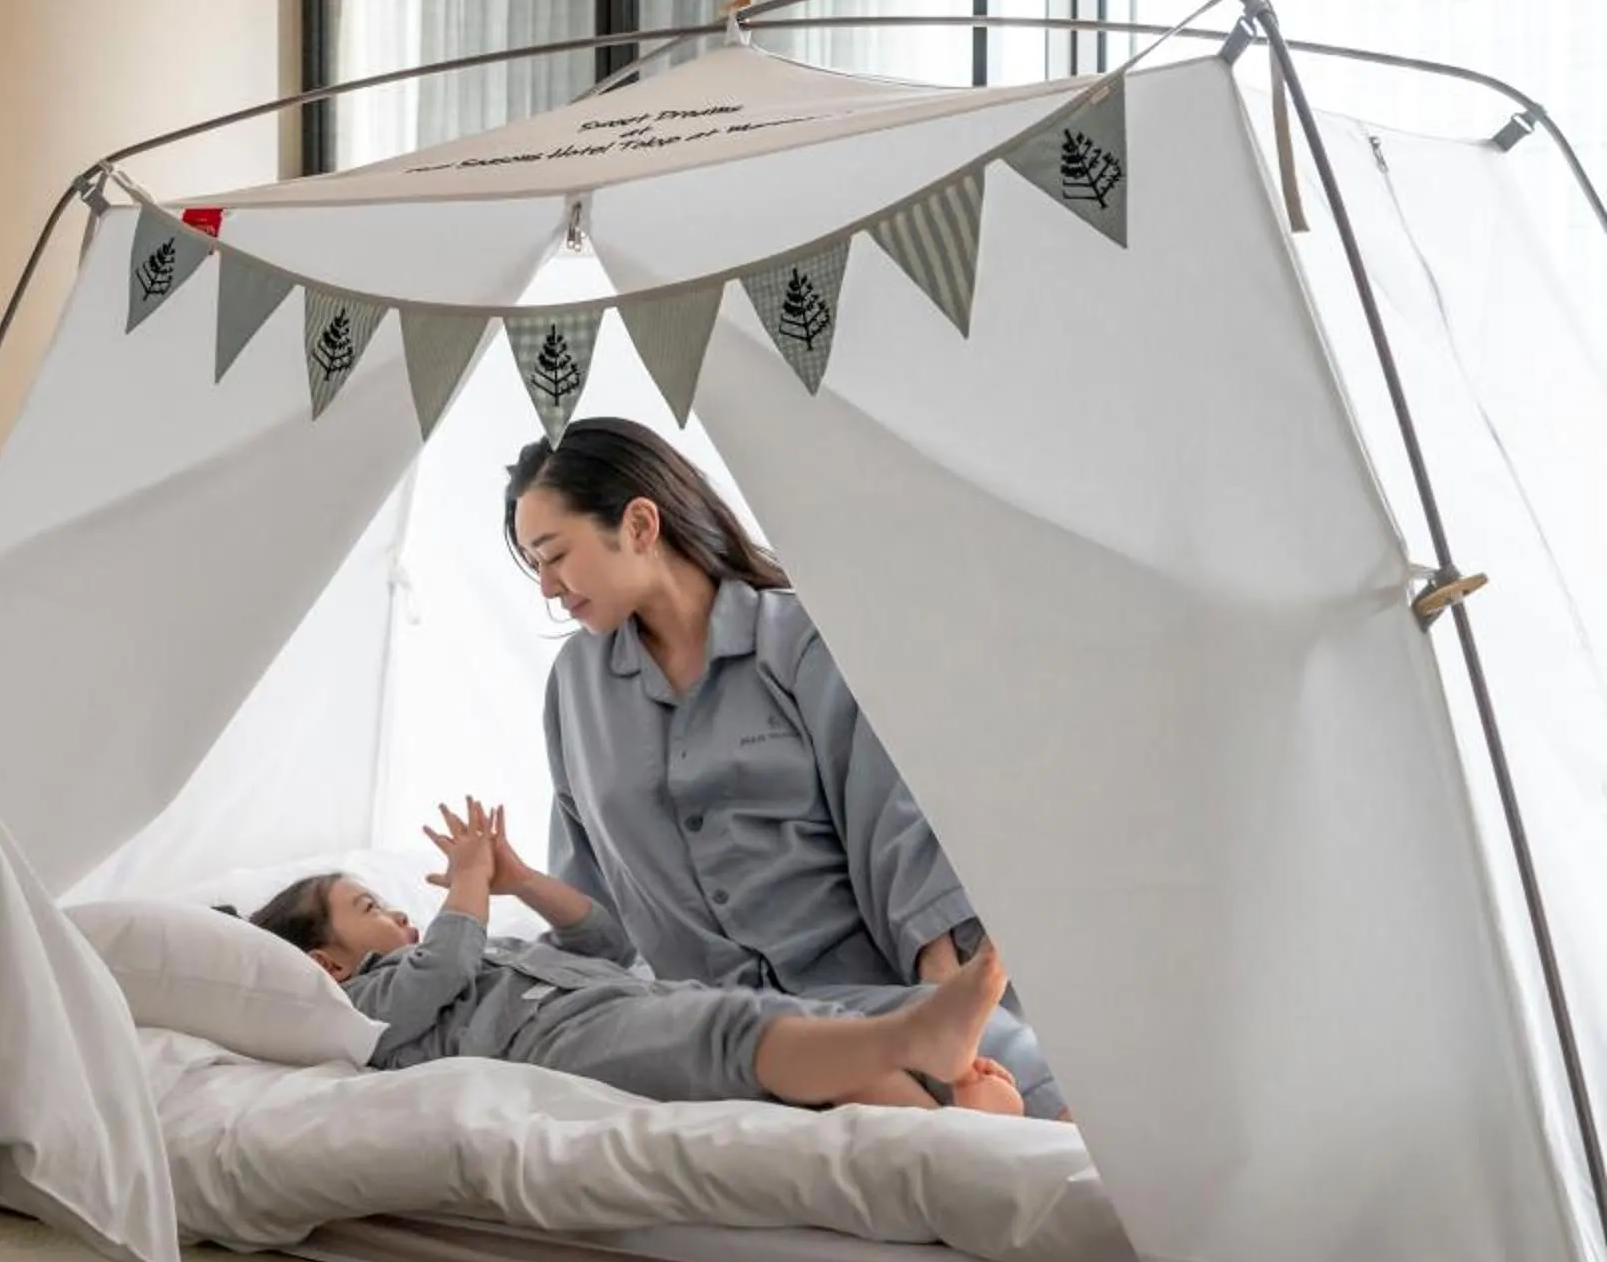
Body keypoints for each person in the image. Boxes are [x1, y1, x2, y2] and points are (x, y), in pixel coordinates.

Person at [503, 418, 1070, 1119]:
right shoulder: (575, 688)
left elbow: (894, 822)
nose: (547, 588)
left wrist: (946, 987)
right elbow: (586, 890)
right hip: (699, 1026)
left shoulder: (801, 643)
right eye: (534, 565)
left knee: (1031, 1088)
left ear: (641, 525)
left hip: (859, 997)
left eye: (554, 555)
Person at [246, 801, 1028, 1113]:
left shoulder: (487, 946)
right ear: (328, 964)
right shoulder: (360, 1011)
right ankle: (925, 1060)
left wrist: (521, 881)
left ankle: (950, 1106)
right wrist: (469, 884)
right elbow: (445, 967)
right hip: (558, 1042)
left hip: (626, 1000)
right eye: (369, 910)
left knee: (791, 1020)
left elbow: (608, 943)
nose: (397, 913)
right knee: (726, 1036)